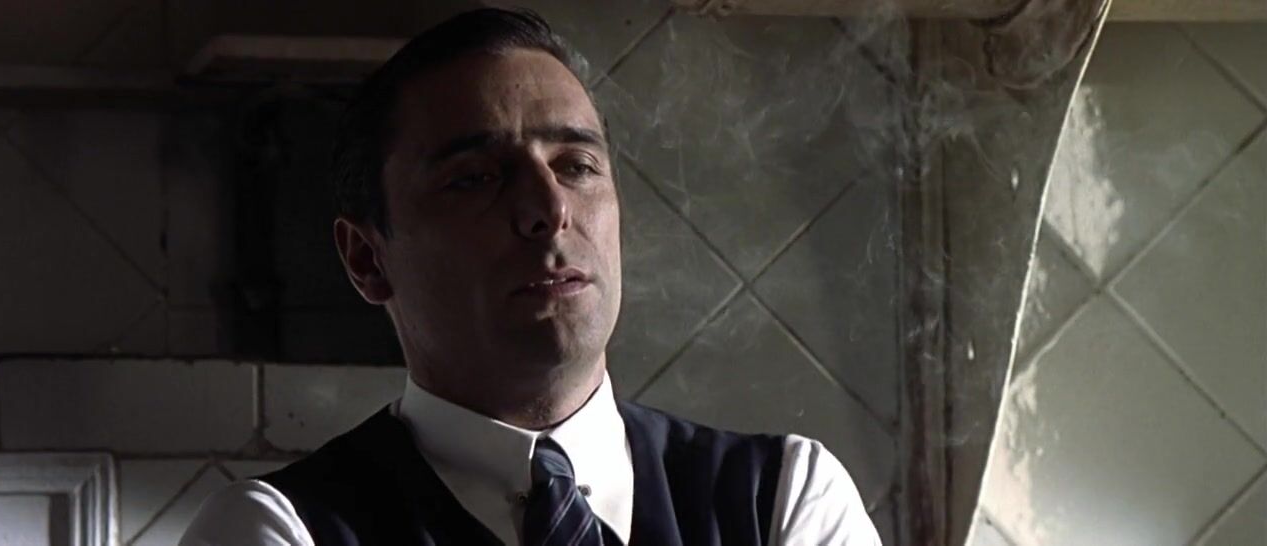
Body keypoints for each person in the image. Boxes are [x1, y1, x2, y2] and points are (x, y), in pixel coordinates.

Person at [181, 8, 881, 546]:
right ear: (367, 258)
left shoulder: (780, 498)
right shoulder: (280, 529)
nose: (549, 208)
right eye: (475, 178)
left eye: (576, 165)